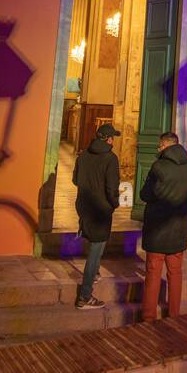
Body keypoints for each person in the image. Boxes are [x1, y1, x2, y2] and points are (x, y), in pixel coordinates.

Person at [139, 132, 187, 321]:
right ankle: (174, 314)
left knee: (153, 273)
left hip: (157, 228)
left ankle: (148, 317)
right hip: (178, 227)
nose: (158, 149)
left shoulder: (159, 167)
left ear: (165, 146)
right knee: (175, 273)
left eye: (159, 146)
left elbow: (145, 195)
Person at [73, 121, 121, 310]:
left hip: (84, 205)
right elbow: (112, 187)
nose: (113, 141)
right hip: (101, 209)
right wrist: (114, 203)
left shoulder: (83, 155)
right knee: (96, 248)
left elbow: (75, 179)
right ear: (108, 139)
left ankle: (95, 273)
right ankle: (85, 296)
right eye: (113, 138)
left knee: (95, 242)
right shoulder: (110, 158)